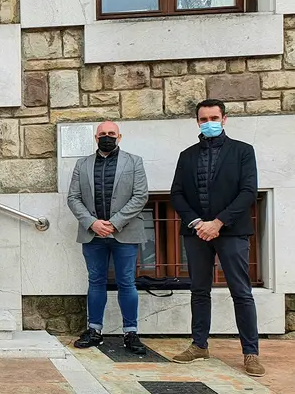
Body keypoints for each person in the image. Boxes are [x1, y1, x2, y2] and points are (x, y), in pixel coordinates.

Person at [170, 99, 262, 376]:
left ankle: (251, 352)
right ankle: (199, 345)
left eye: (214, 117)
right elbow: (176, 194)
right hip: (196, 231)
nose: (208, 122)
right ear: (197, 122)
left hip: (231, 230)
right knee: (199, 290)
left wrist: (219, 222)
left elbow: (248, 191)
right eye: (203, 118)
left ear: (224, 119)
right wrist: (198, 223)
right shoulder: (186, 155)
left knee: (241, 292)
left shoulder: (243, 151)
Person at [67, 121, 149, 355]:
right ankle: (94, 330)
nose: (107, 137)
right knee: (96, 282)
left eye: (111, 134)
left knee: (126, 283)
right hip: (93, 233)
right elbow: (73, 197)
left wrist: (114, 223)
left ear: (119, 137)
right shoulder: (82, 164)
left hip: (125, 232)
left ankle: (131, 333)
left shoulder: (134, 162)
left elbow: (140, 196)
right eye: (102, 134)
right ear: (96, 137)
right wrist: (92, 223)